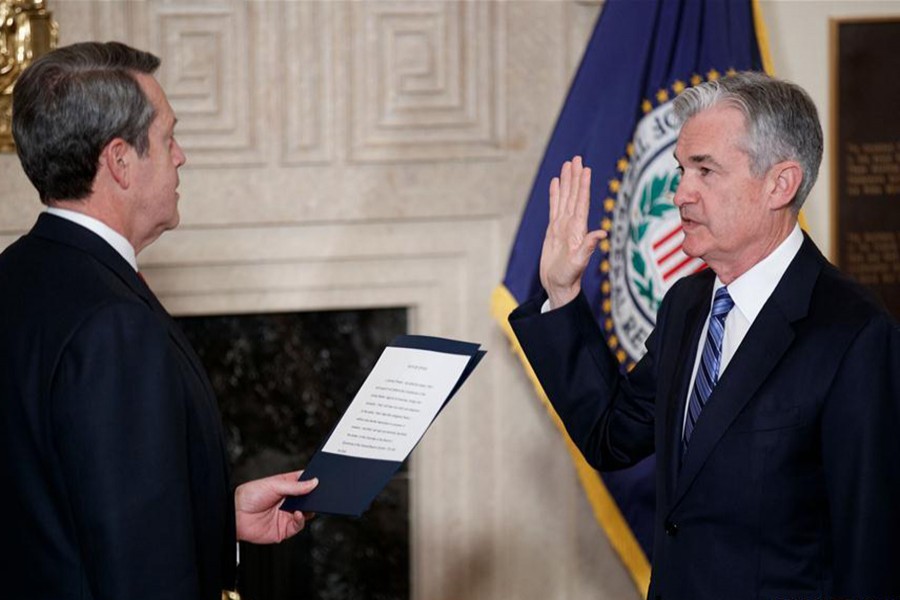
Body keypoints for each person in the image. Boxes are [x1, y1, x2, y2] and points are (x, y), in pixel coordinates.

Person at [509, 72, 900, 599]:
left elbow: (871, 551)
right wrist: (561, 294)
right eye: (680, 169)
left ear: (780, 184)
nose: (680, 193)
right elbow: (612, 433)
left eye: (705, 170)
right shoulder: (687, 305)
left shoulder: (854, 332)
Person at [0, 42, 318, 600]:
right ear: (120, 161)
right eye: (168, 138)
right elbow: (141, 575)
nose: (181, 156)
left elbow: (65, 506)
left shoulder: (17, 274)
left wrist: (217, 519)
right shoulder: (113, 325)